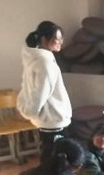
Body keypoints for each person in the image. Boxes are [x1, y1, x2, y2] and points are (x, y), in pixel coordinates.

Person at [17, 21, 71, 164]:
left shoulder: (35, 59)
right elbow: (39, 94)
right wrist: (30, 111)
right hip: (53, 120)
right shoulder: (45, 62)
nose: (60, 42)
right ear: (43, 40)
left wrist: (27, 110)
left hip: (47, 120)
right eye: (57, 39)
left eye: (61, 39)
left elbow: (28, 89)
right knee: (56, 161)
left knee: (50, 158)